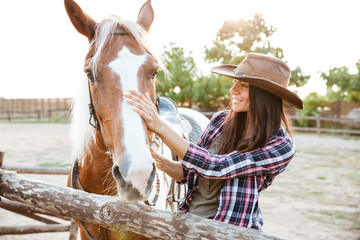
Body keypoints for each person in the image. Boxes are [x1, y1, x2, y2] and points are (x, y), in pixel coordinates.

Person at [124, 53, 303, 230]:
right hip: (188, 225)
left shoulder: (281, 146)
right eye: (234, 82)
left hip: (229, 232)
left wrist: (159, 125)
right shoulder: (220, 122)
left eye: (243, 85)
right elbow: (189, 172)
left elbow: (217, 167)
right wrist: (156, 159)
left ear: (265, 95)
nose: (233, 90)